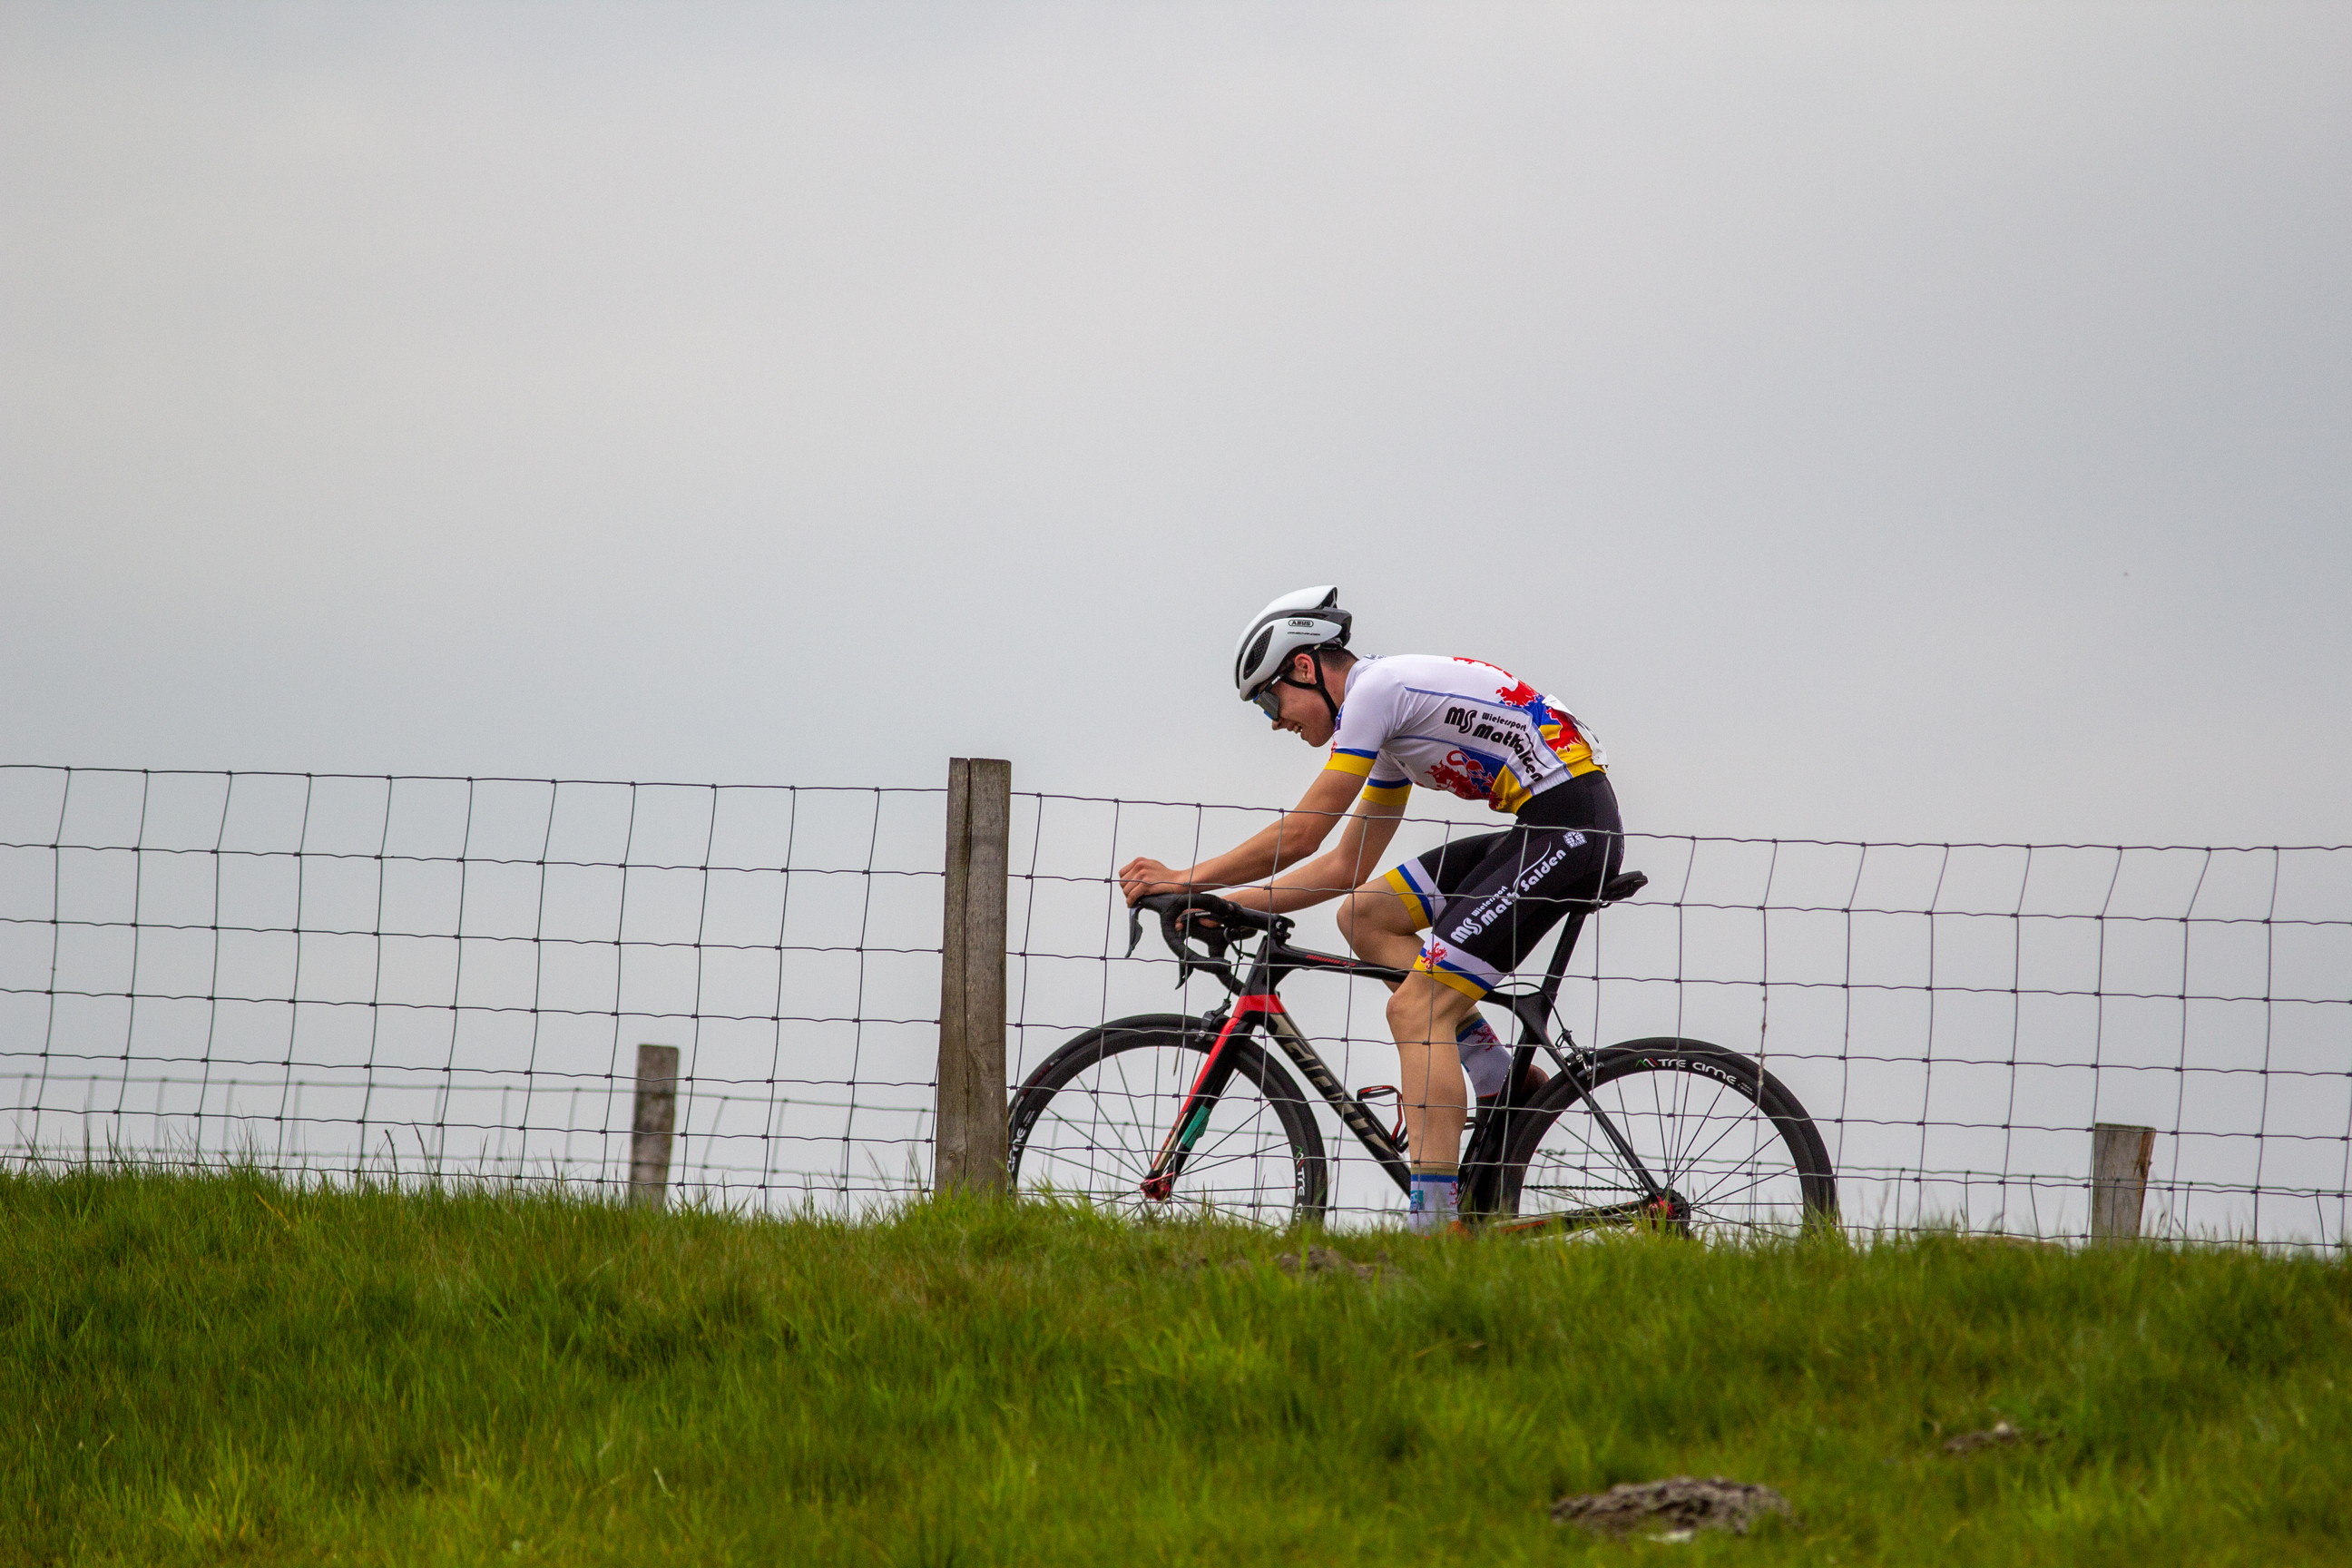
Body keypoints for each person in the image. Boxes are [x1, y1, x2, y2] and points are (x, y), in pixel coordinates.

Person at [1117, 586, 1623, 1234]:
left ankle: (1434, 1229)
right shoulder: (1387, 722)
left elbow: (1304, 834)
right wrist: (1222, 903)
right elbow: (1345, 867)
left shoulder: (1375, 693)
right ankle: (1500, 1075)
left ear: (1304, 667)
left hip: (1571, 831)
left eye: (1271, 700)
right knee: (1366, 915)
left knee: (1415, 1008)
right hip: (1548, 828)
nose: (1275, 721)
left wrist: (1184, 878)